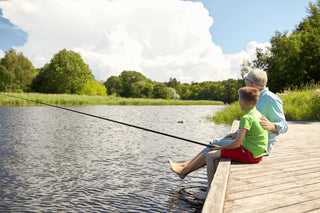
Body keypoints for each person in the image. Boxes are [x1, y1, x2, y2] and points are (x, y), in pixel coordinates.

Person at [169, 68, 288, 180]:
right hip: (247, 140)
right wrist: (236, 133)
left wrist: (272, 126)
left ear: (250, 83)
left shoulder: (271, 99)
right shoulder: (254, 96)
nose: (245, 83)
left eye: (246, 80)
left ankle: (184, 171)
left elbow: (284, 126)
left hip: (258, 146)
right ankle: (185, 166)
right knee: (213, 142)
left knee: (215, 144)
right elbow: (251, 123)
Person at [198, 86, 268, 199]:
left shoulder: (246, 118)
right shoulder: (257, 114)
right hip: (257, 154)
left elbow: (236, 144)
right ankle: (214, 186)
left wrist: (220, 148)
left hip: (250, 155)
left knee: (211, 156)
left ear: (242, 102)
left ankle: (209, 192)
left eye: (239, 100)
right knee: (217, 155)